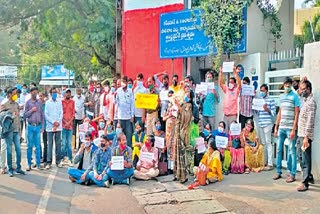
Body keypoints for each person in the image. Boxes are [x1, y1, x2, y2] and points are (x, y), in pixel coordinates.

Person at [273, 77, 300, 183]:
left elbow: (297, 113)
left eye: (289, 84)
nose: (287, 86)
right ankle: (278, 172)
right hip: (281, 128)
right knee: (279, 150)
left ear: (291, 85)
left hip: (290, 128)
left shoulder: (295, 96)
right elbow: (280, 112)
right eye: (286, 84)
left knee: (292, 151)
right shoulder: (282, 96)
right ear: (283, 85)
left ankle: (292, 174)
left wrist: (294, 129)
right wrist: (276, 127)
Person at [0, 87, 26, 177]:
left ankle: (18, 167)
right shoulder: (4, 104)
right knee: (9, 150)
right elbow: (1, 117)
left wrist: (19, 131)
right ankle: (10, 168)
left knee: (18, 150)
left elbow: (18, 117)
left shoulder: (16, 104)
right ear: (9, 94)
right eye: (14, 94)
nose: (16, 95)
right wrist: (11, 116)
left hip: (16, 130)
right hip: (9, 131)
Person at [296, 80, 316, 192]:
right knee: (300, 157)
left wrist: (306, 137)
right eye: (301, 89)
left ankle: (305, 183)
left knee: (305, 159)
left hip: (305, 135)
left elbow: (310, 121)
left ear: (308, 89)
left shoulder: (311, 102)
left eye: (303, 89)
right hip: (300, 133)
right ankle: (309, 176)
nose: (301, 91)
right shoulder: (304, 100)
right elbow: (297, 92)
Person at [173, 86, 194, 183]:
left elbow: (186, 115)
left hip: (183, 131)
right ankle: (177, 174)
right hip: (177, 130)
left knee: (182, 153)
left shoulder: (188, 105)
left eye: (188, 92)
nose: (186, 94)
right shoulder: (183, 104)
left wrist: (178, 106)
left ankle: (183, 176)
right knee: (176, 153)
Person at [256, 84, 276, 171]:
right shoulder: (259, 100)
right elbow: (257, 113)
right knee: (263, 143)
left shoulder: (271, 100)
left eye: (263, 91)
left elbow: (273, 113)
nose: (261, 92)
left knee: (268, 143)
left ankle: (270, 163)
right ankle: (264, 162)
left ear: (266, 91)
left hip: (268, 123)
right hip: (261, 123)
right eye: (260, 90)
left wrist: (267, 109)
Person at [24, 87, 44, 171]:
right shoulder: (28, 103)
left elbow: (42, 115)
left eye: (36, 92)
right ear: (31, 92)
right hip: (30, 126)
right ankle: (29, 164)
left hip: (38, 126)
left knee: (38, 146)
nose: (35, 94)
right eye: (33, 92)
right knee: (29, 146)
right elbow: (25, 115)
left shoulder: (39, 102)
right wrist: (31, 110)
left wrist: (42, 127)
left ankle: (38, 164)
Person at [45, 87, 63, 169]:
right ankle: (49, 162)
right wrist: (53, 122)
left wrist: (58, 122)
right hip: (50, 126)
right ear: (50, 93)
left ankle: (58, 161)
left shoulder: (59, 102)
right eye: (53, 92)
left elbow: (61, 113)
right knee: (50, 144)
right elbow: (46, 115)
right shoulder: (48, 103)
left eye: (55, 92)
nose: (54, 94)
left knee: (58, 144)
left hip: (58, 126)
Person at [219, 66, 242, 131]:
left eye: (231, 82)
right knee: (225, 132)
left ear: (234, 84)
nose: (230, 83)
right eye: (229, 82)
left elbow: (239, 83)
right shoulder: (226, 89)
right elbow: (221, 83)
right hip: (225, 115)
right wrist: (221, 73)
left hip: (233, 115)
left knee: (232, 132)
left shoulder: (236, 90)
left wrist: (235, 72)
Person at [115, 76, 134, 148]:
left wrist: (132, 115)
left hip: (128, 117)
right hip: (120, 116)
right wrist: (115, 96)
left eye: (124, 81)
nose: (123, 83)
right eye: (122, 82)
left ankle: (128, 152)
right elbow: (116, 103)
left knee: (128, 135)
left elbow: (132, 104)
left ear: (126, 82)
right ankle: (119, 151)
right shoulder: (118, 91)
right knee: (119, 135)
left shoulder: (130, 91)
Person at [163, 90, 177, 172]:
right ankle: (168, 167)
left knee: (174, 147)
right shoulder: (166, 108)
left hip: (174, 130)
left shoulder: (176, 108)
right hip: (168, 130)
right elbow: (163, 118)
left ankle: (173, 166)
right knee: (168, 147)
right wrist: (169, 115)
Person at [61, 89, 75, 167]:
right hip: (63, 125)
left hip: (70, 125)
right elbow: (60, 113)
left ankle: (70, 158)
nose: (68, 94)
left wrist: (69, 122)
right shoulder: (61, 102)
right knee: (63, 143)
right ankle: (63, 158)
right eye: (67, 93)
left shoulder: (72, 102)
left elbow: (73, 114)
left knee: (69, 143)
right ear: (65, 94)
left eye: (69, 93)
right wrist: (65, 122)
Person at [39, 92, 47, 163]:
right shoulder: (37, 105)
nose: (40, 97)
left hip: (46, 126)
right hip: (38, 126)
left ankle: (45, 158)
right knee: (38, 143)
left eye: (41, 96)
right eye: (39, 96)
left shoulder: (46, 105)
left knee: (45, 143)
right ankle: (39, 157)